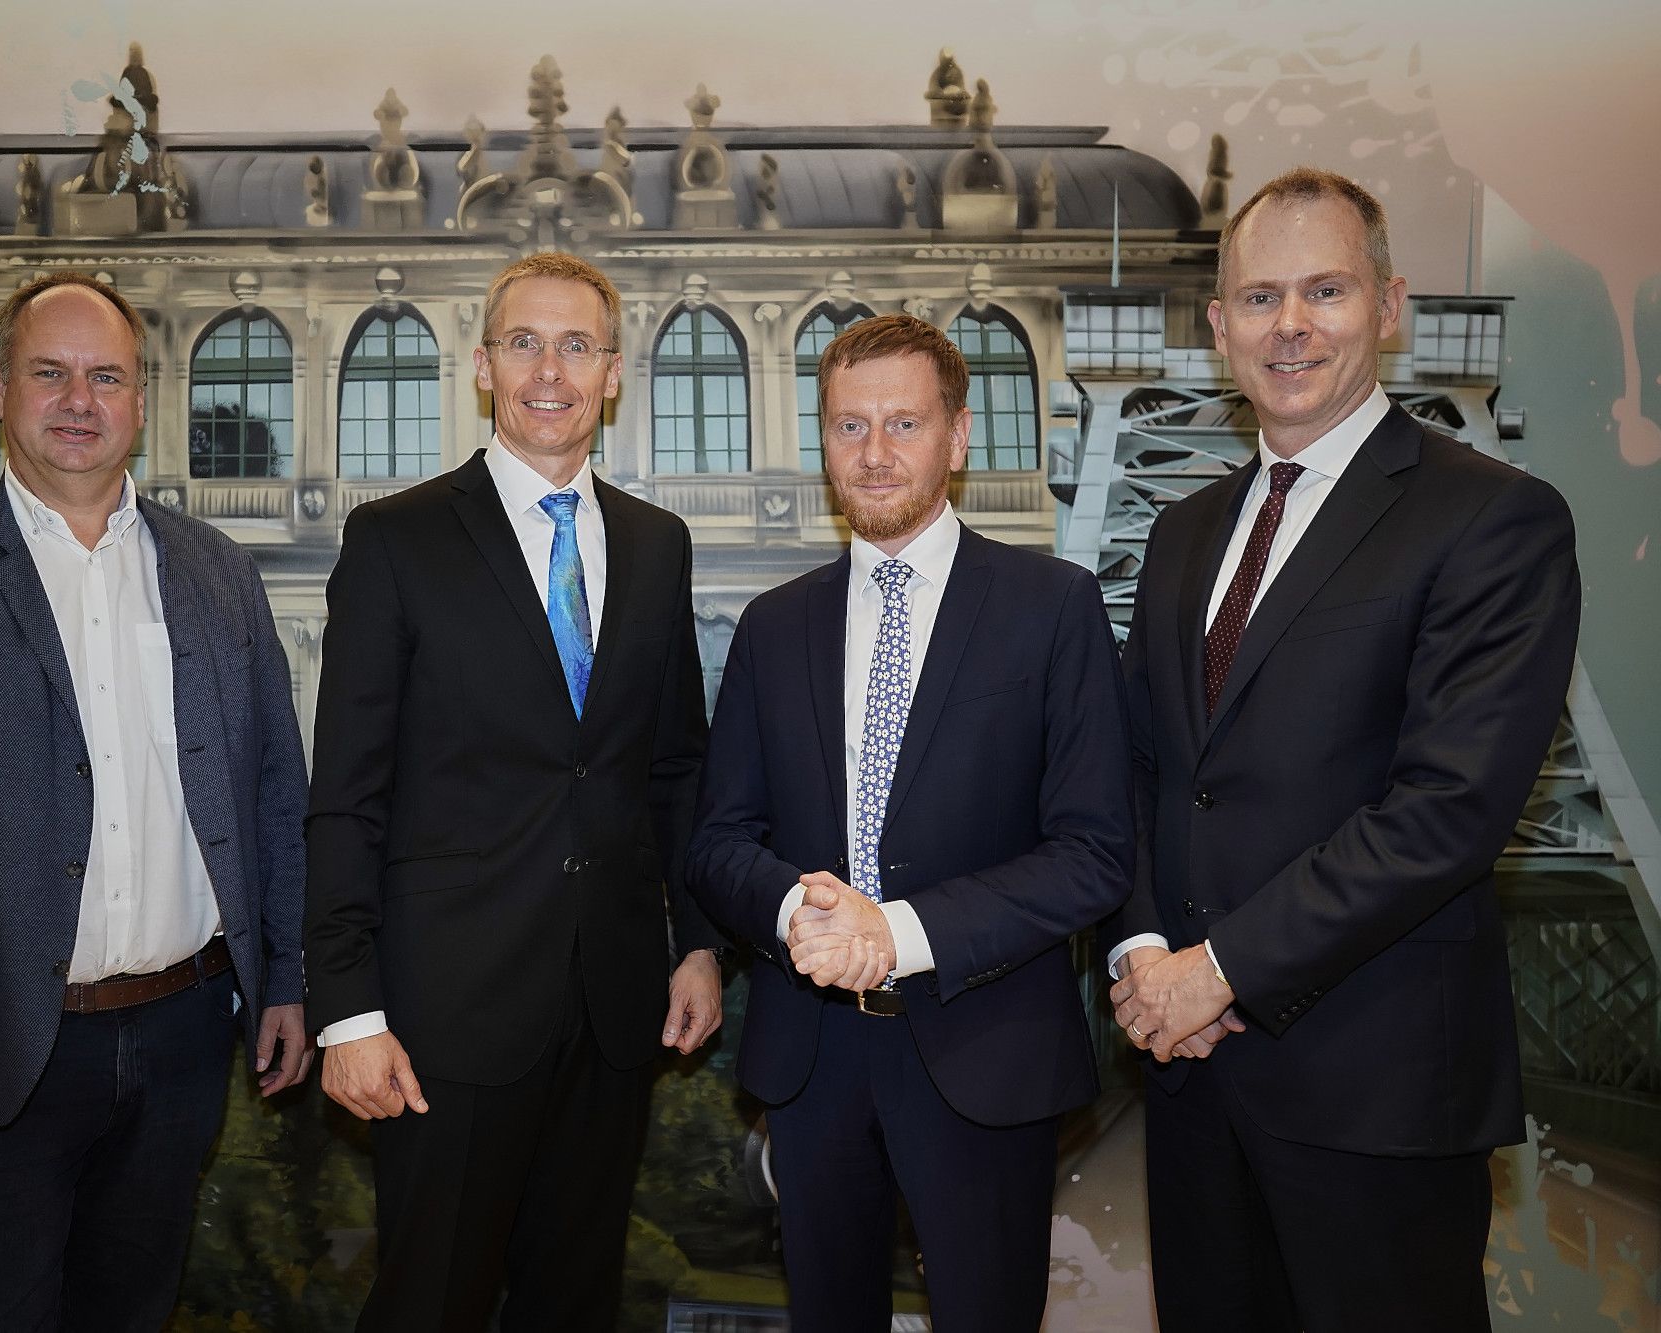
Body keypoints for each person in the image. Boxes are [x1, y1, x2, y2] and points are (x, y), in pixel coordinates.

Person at [1103, 167, 1581, 1332]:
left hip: (1374, 1098)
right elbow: (1146, 773)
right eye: (1259, 298)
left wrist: (1216, 972)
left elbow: (1446, 810)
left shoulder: (1491, 518)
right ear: (1218, 326)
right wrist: (1143, 950)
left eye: (1324, 289)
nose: (1291, 325)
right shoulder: (1180, 531)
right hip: (1191, 1082)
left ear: (1389, 303)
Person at [0, 271, 313, 1332]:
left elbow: (272, 791)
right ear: (0, 389)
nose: (78, 400)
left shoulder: (218, 573)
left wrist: (288, 980)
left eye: (106, 377)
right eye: (50, 373)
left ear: (140, 400)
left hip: (181, 1040)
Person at [304, 252, 725, 1332]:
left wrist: (693, 944)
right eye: (525, 343)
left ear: (614, 372)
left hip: (612, 1010)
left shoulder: (654, 544)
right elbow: (345, 793)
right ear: (483, 366)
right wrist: (346, 1007)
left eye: (576, 344)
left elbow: (672, 767)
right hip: (444, 1020)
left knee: (574, 1303)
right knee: (428, 1304)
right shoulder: (394, 540)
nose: (551, 369)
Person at [687, 314, 1133, 1331]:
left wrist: (898, 933)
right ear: (822, 444)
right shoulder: (774, 625)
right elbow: (717, 841)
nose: (875, 453)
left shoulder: (1050, 607)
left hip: (983, 1047)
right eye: (848, 427)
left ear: (957, 437)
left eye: (902, 423)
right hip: (812, 1059)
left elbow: (1094, 850)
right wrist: (804, 913)